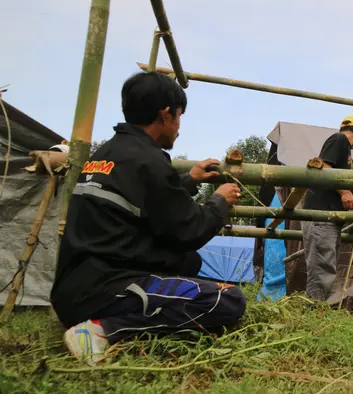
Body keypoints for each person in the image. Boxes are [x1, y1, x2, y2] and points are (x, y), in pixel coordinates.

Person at [50, 72, 247, 366]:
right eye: (179, 116)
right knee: (227, 299)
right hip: (107, 288)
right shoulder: (150, 160)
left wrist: (189, 179)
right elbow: (189, 229)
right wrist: (219, 201)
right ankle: (103, 330)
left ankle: (94, 318)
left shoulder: (108, 153)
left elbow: (153, 199)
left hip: (73, 288)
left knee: (189, 262)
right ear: (166, 115)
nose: (179, 126)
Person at [301, 116, 353, 302]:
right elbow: (326, 168)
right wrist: (344, 192)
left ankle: (316, 307)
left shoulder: (348, 158)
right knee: (322, 266)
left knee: (326, 264)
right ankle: (314, 310)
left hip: (330, 217)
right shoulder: (339, 140)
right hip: (322, 214)